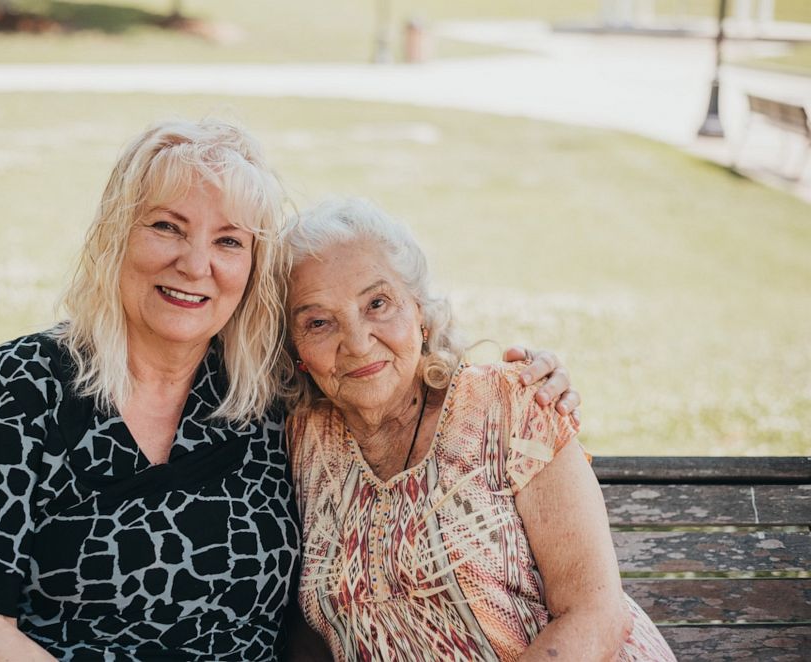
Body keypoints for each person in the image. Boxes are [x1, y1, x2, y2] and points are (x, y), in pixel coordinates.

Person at [0, 119, 580, 660]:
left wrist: (521, 381)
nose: (195, 264)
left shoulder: (268, 395)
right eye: (167, 226)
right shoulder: (17, 386)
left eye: (228, 241)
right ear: (117, 234)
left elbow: (385, 364)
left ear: (251, 268)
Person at [283, 198, 676, 661]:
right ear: (297, 352)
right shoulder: (300, 443)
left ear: (421, 314)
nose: (357, 341)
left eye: (377, 303)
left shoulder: (512, 403)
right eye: (318, 322)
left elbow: (594, 616)